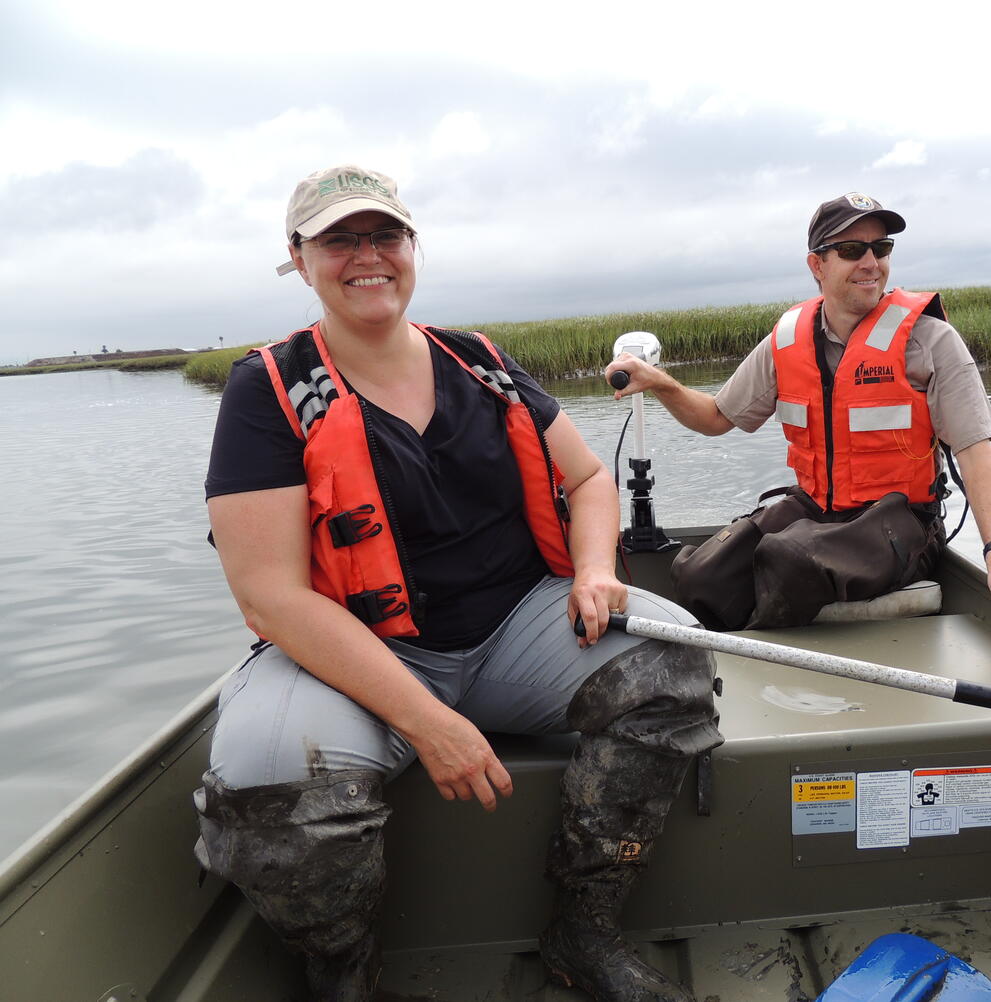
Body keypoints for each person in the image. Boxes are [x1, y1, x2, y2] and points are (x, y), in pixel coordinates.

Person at [195, 164, 720, 1002]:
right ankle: (345, 974)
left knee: (672, 663)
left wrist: (593, 570)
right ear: (298, 258)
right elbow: (269, 596)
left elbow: (587, 483)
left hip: (513, 629)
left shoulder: (480, 362)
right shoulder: (266, 390)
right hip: (358, 658)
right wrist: (429, 723)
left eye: (385, 235)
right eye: (339, 240)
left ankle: (583, 932)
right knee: (265, 777)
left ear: (412, 248)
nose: (367, 256)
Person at [605, 192, 991, 623]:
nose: (871, 262)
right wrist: (660, 383)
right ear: (817, 265)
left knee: (789, 559)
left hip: (903, 523)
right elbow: (717, 418)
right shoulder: (786, 339)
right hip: (816, 509)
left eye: (881, 247)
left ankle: (768, 663)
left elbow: (976, 452)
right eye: (853, 249)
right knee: (701, 573)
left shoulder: (930, 341)